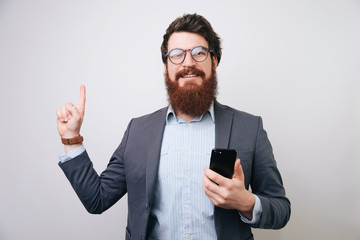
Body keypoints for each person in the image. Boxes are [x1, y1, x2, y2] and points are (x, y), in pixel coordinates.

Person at [56, 13, 290, 240]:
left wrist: (246, 202)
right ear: (167, 66)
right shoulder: (138, 131)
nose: (188, 63)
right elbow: (97, 199)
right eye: (177, 55)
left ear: (214, 61)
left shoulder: (249, 128)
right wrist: (71, 138)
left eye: (199, 53)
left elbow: (281, 210)